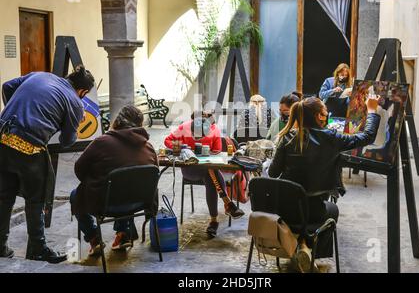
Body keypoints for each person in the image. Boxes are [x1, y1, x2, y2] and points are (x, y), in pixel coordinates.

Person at [268, 96, 380, 270]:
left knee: (305, 210)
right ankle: (311, 252)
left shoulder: (288, 137)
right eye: (325, 113)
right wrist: (372, 111)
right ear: (319, 116)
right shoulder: (331, 138)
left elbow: (272, 172)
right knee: (332, 209)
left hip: (284, 208)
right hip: (314, 210)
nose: (326, 116)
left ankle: (302, 245)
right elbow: (366, 137)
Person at [0, 66, 95, 262]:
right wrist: (75, 121)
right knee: (37, 197)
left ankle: (1, 245)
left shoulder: (40, 75)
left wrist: (16, 111)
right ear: (83, 92)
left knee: (4, 195)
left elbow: (7, 86)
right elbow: (67, 141)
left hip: (3, 135)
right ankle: (38, 248)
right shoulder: (75, 102)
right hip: (29, 145)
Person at [70, 105, 158, 256]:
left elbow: (79, 169)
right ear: (140, 124)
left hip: (105, 204)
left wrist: (93, 180)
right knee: (128, 186)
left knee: (75, 195)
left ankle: (94, 238)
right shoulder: (148, 146)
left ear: (117, 121)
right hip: (139, 202)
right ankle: (123, 234)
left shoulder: (101, 142)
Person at [164, 111, 245, 237]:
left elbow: (217, 150)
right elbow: (167, 141)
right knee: (211, 172)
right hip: (190, 170)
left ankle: (215, 220)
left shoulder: (214, 129)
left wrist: (206, 152)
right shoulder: (184, 127)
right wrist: (182, 148)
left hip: (207, 170)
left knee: (210, 174)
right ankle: (226, 205)